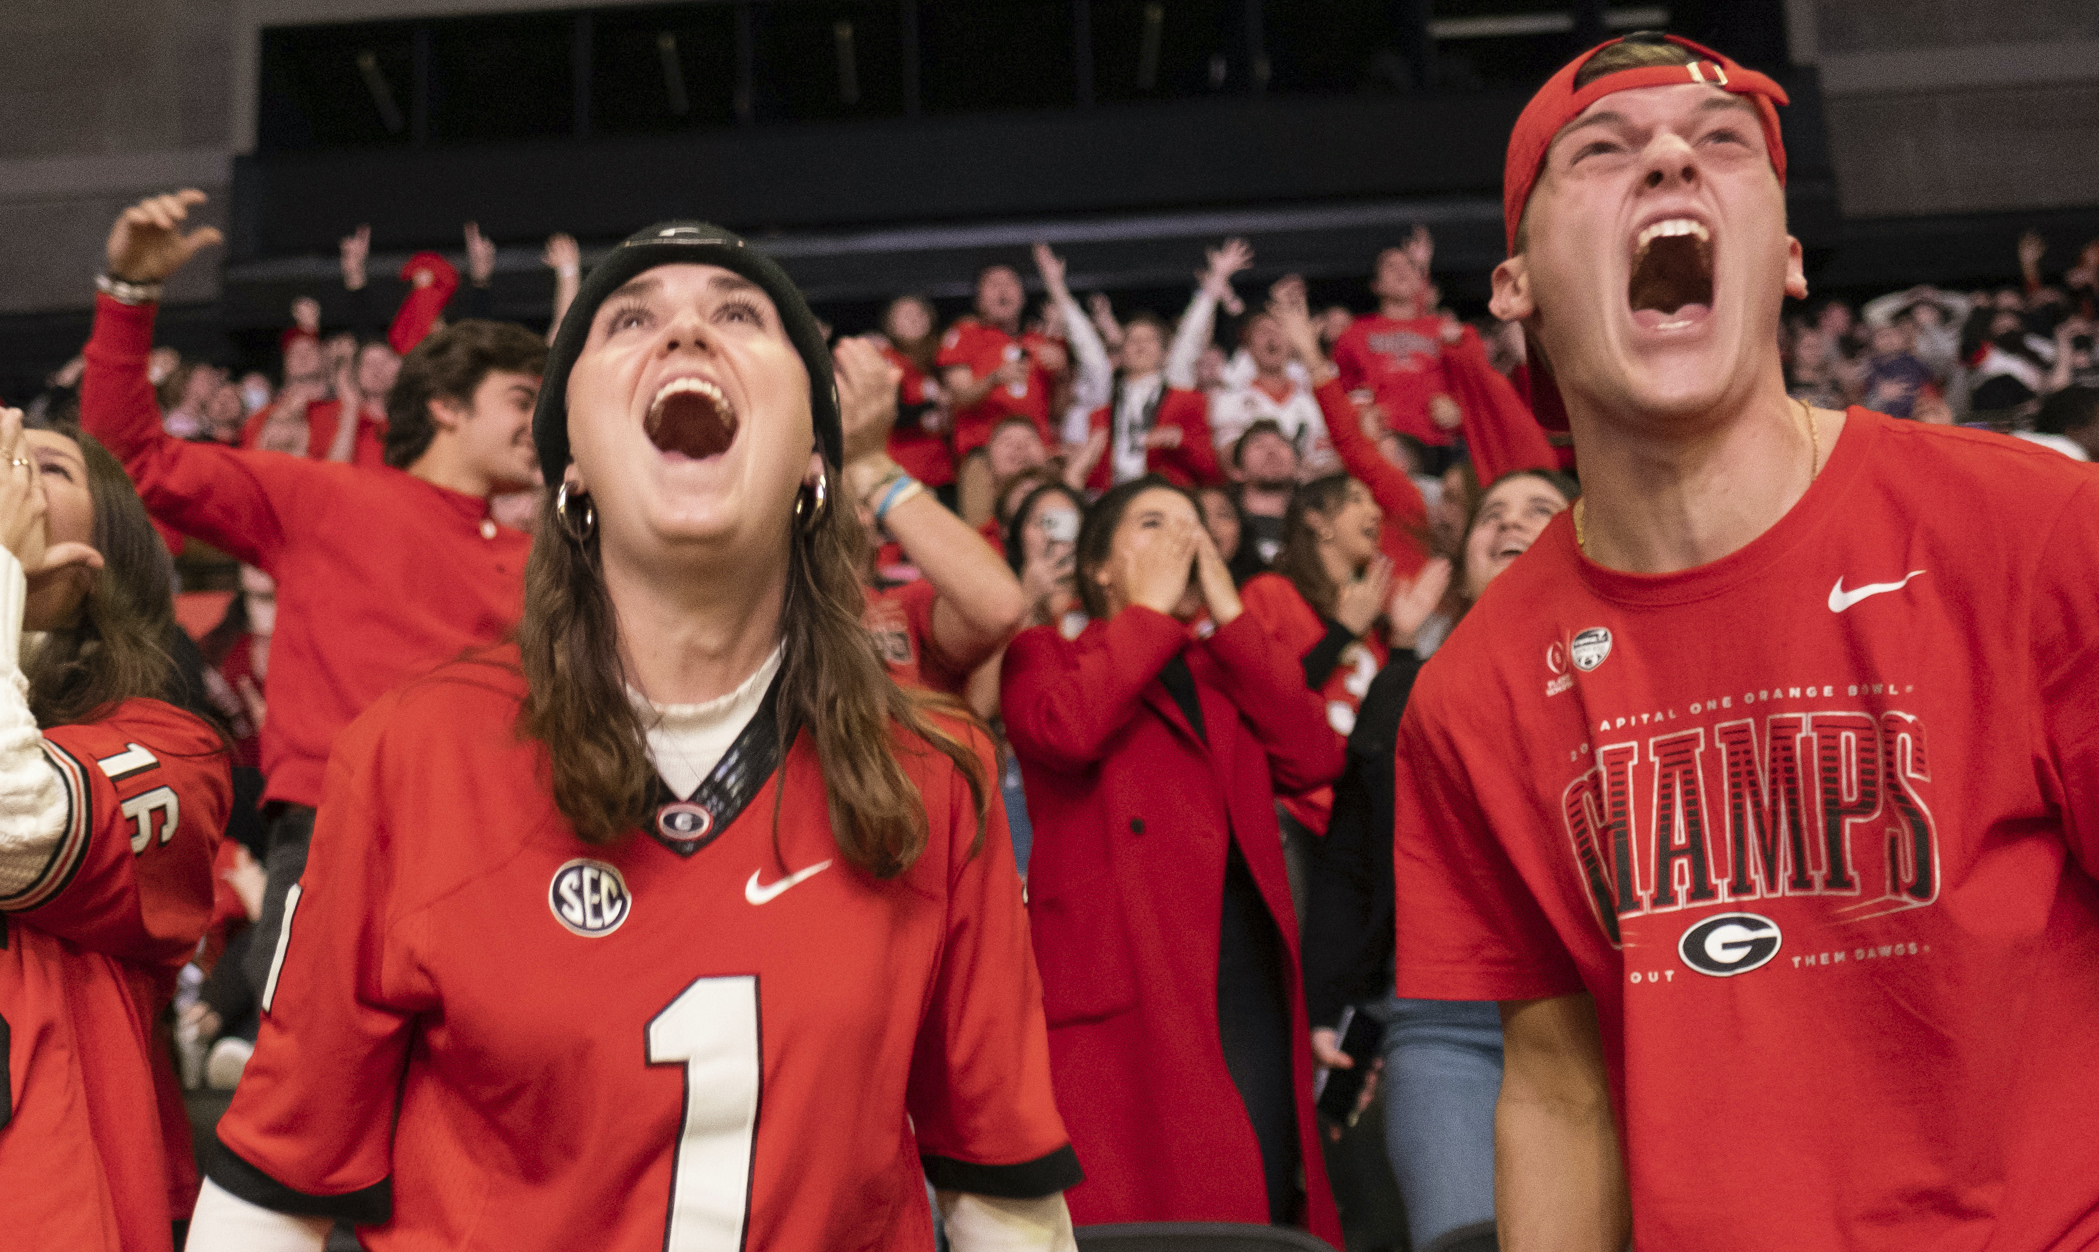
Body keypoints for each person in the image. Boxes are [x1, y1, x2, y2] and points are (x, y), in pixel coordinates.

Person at [191, 221, 1082, 1251]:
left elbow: (999, 1193)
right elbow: (275, 1187)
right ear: (569, 472)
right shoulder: (407, 755)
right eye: (630, 320)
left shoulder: (938, 776)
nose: (688, 333)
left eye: (740, 315)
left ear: (812, 463)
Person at [1390, 32, 2099, 1251]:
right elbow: (1559, 1093)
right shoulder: (1474, 691)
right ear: (1512, 284)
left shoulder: (2035, 531)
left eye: (1721, 145)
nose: (1669, 155)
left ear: (1783, 259)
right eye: (1602, 153)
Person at [80, 189, 545, 1023]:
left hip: (500, 847)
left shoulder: (546, 562)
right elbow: (129, 458)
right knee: (307, 1087)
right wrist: (128, 296)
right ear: (444, 405)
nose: (539, 426)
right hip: (337, 834)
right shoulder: (320, 497)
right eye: (521, 401)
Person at [1002, 476, 1345, 1244]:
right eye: (1154, 522)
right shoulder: (1044, 653)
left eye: (1195, 527)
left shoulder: (1227, 664)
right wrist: (1150, 614)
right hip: (1121, 969)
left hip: (1235, 965)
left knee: (1243, 1203)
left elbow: (1315, 755)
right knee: (1129, 1215)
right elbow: (1063, 730)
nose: (1182, 539)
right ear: (1098, 567)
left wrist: (1229, 613)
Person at [1301, 470, 1566, 1252]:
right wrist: (1330, 1006)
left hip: (1606, 1018)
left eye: (1538, 509)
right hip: (1443, 1027)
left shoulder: (1642, 664)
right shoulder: (1409, 689)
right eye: (1491, 514)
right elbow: (1352, 858)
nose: (1509, 523)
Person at [0, 405, 232, 1252]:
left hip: (52, 1196)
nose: (8, 472)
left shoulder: (173, 744)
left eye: (45, 467)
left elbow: (11, 823)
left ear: (102, 560)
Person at [838, 337, 1027, 698]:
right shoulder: (764, 611)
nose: (855, 513)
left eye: (862, 503)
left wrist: (871, 467)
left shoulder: (906, 606)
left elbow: (999, 608)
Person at [1080, 312, 1220, 490]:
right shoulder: (1100, 415)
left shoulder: (1189, 401)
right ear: (1120, 354)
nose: (1140, 345)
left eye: (1149, 339)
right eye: (1132, 339)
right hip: (1117, 497)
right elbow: (1094, 479)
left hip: (1169, 496)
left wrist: (1181, 440)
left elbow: (1211, 470)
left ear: (1165, 353)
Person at [875, 294, 956, 497]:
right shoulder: (886, 360)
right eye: (904, 314)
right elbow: (891, 415)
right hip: (903, 473)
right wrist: (932, 404)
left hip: (942, 473)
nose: (914, 318)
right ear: (890, 326)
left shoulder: (938, 362)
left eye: (920, 313)